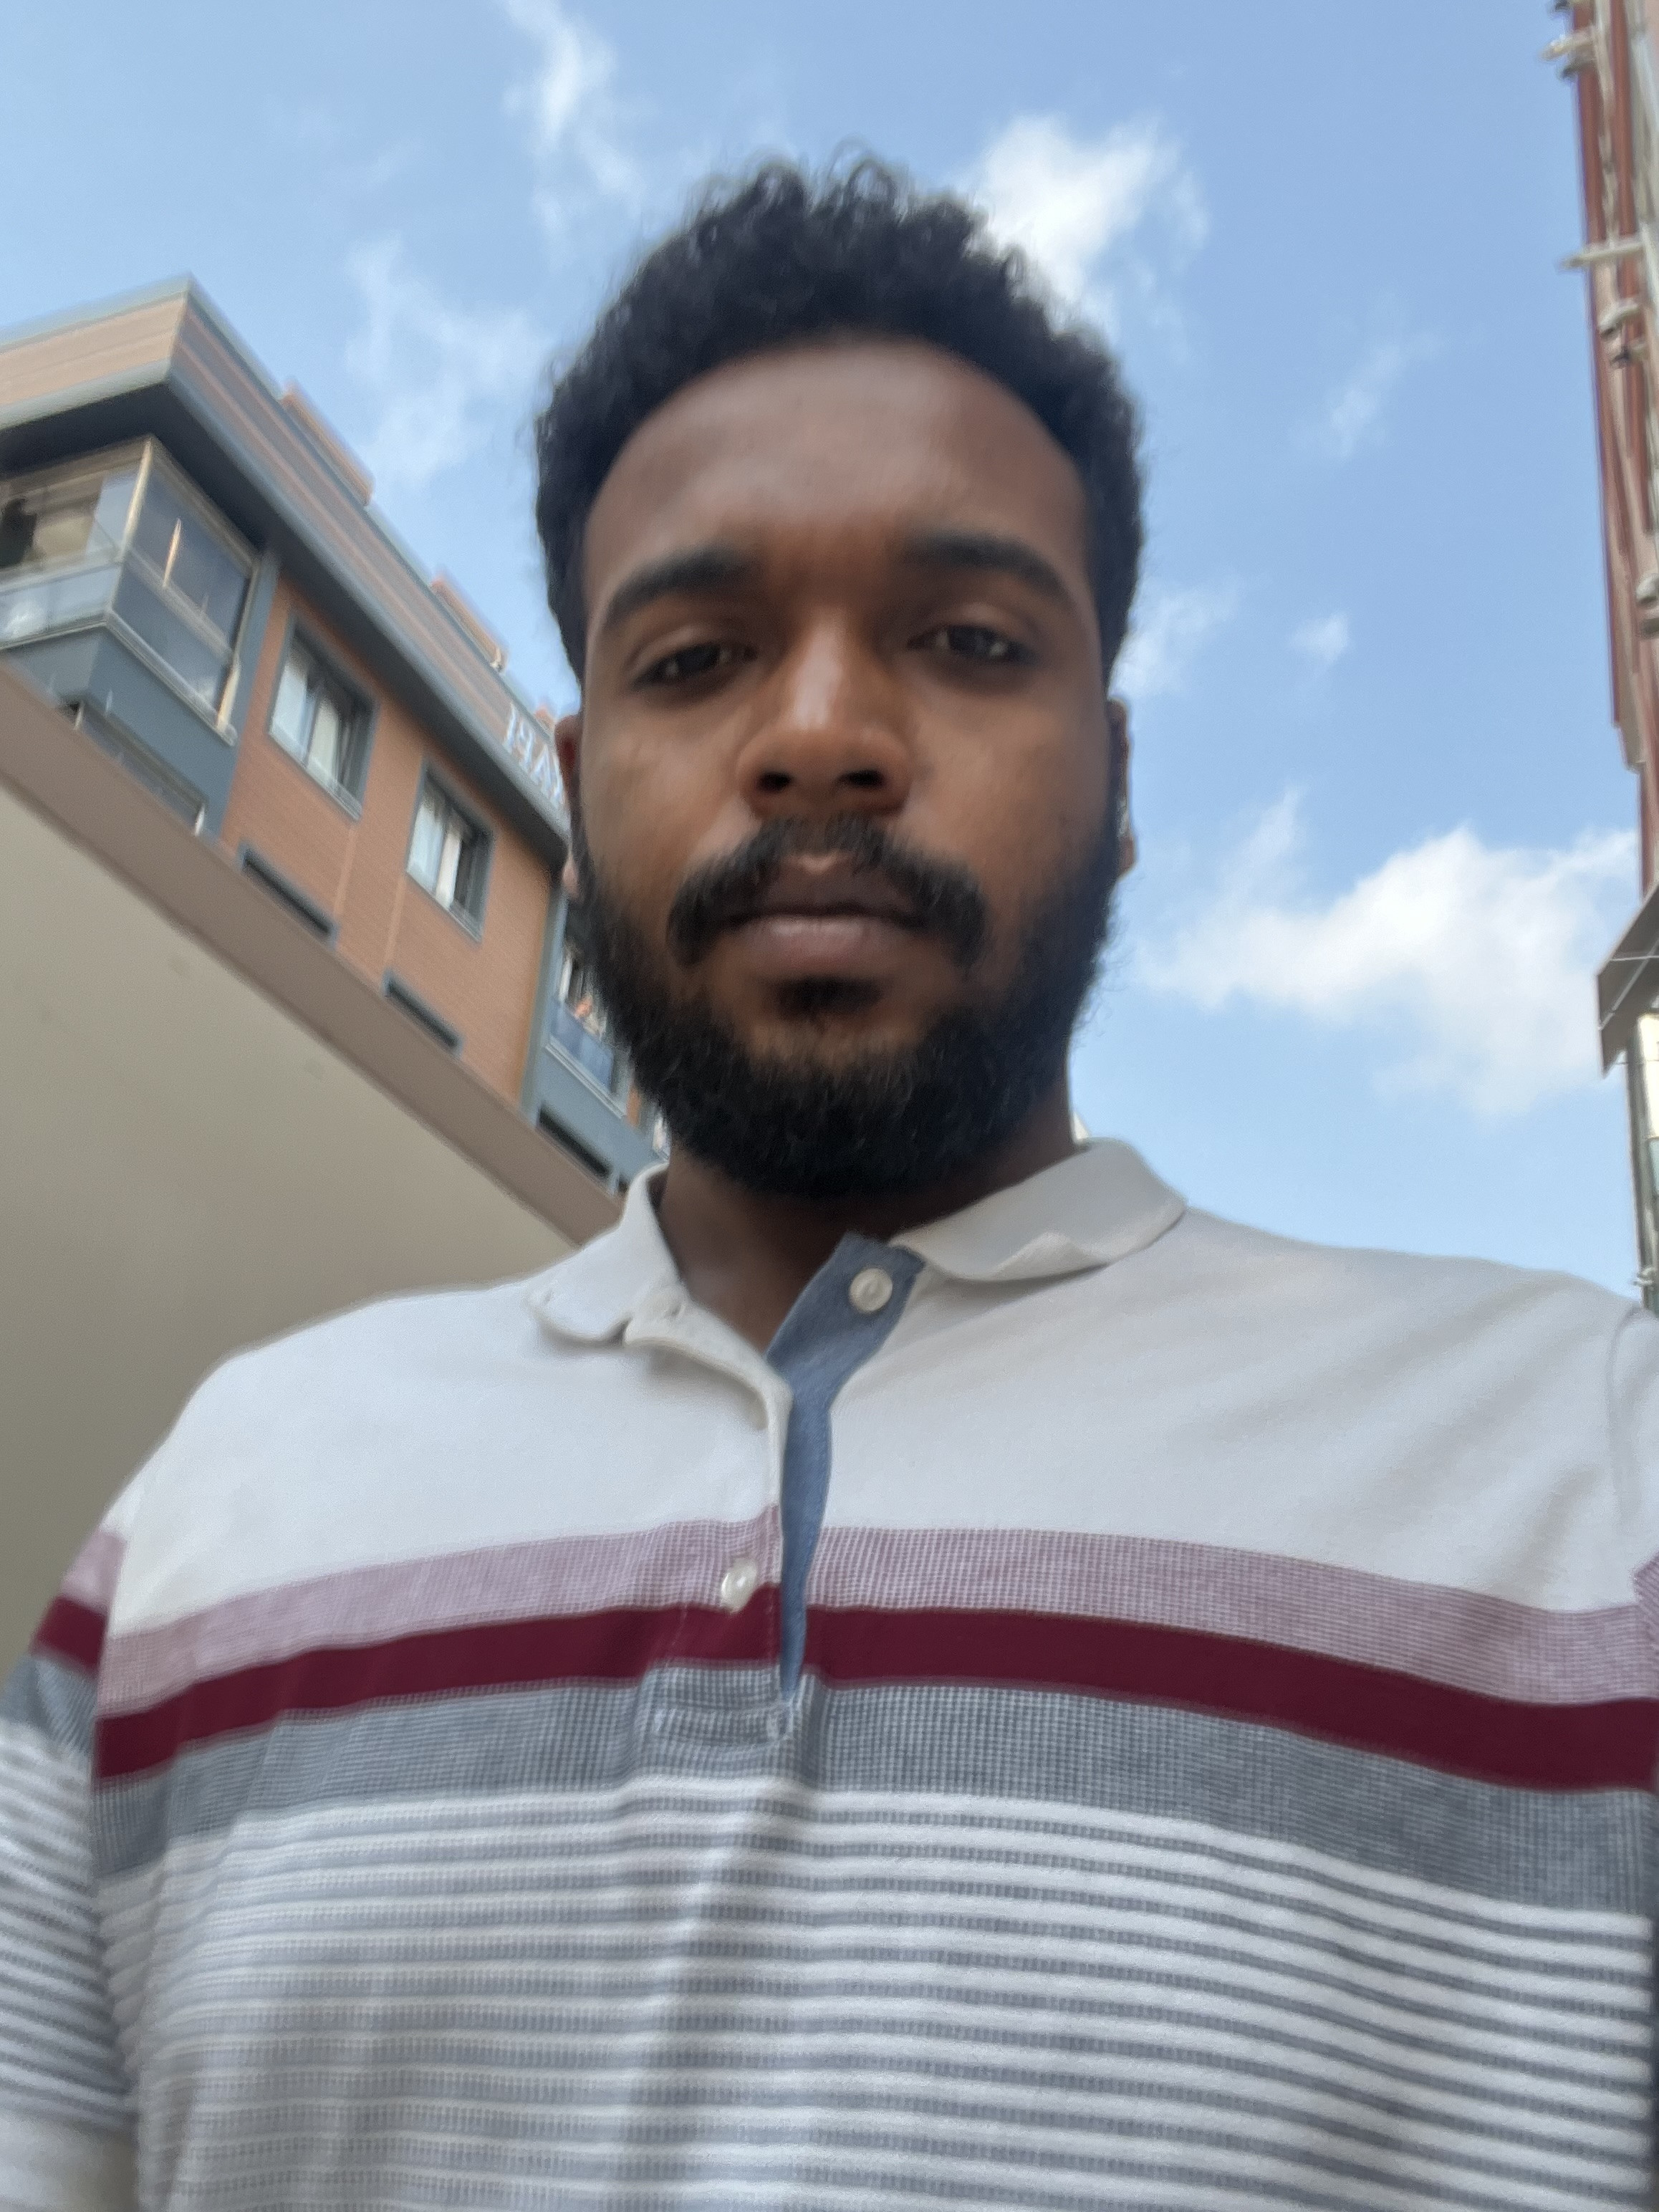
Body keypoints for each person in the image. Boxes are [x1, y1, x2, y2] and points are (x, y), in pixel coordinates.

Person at [1, 159, 1654, 2212]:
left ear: (1122, 781)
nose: (819, 737)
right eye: (696, 659)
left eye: (964, 638)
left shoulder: (1586, 1476)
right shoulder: (211, 1519)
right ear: (576, 777)